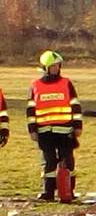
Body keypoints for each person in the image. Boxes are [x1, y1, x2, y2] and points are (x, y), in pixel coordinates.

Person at [27, 51, 82, 201]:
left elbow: (75, 106)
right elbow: (31, 110)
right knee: (49, 162)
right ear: (45, 67)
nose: (56, 69)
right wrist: (32, 129)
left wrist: (78, 126)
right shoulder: (35, 86)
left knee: (68, 162)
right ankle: (48, 192)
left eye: (58, 66)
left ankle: (68, 191)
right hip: (45, 132)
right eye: (53, 66)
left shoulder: (66, 83)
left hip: (65, 131)